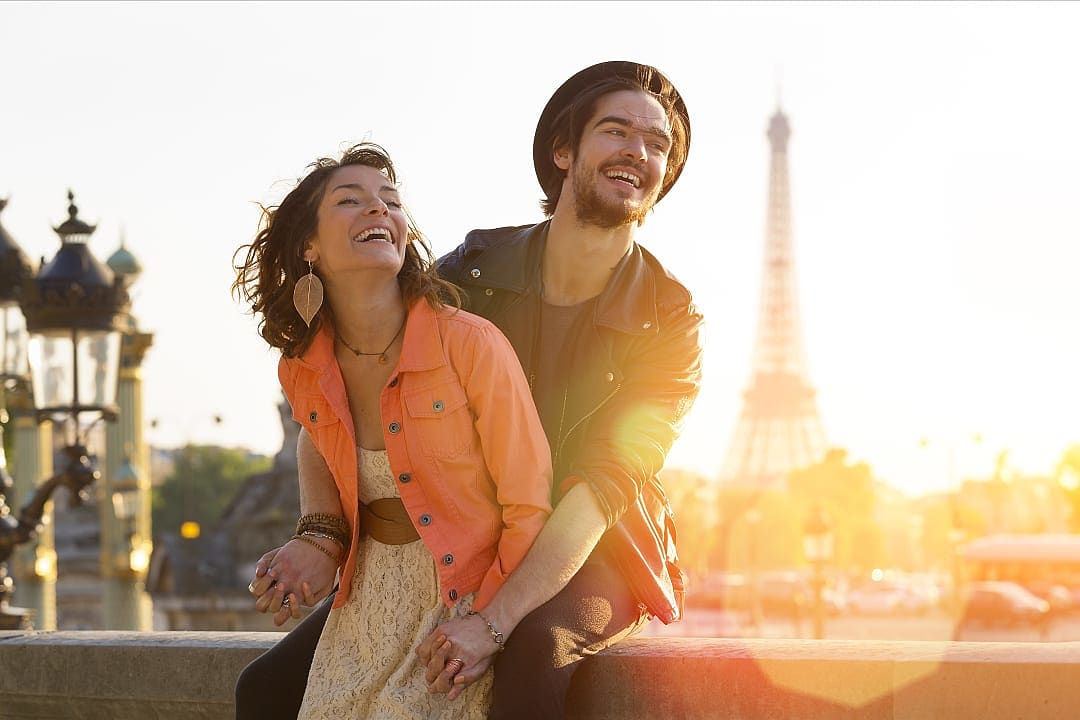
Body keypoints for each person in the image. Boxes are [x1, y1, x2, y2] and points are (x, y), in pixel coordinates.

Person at [237, 60, 704, 720]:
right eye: (616, 130)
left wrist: (495, 621)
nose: (638, 150)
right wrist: (322, 535)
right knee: (268, 688)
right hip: (462, 535)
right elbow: (345, 398)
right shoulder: (474, 271)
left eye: (658, 144)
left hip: (592, 549)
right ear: (563, 152)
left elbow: (607, 483)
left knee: (532, 656)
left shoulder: (670, 318)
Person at [231, 142, 552, 719]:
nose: (379, 210)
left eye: (391, 202)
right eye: (350, 201)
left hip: (460, 601)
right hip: (366, 601)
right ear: (309, 246)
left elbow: (528, 507)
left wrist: (487, 626)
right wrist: (319, 538)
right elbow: (317, 437)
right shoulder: (300, 364)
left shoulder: (470, 344)